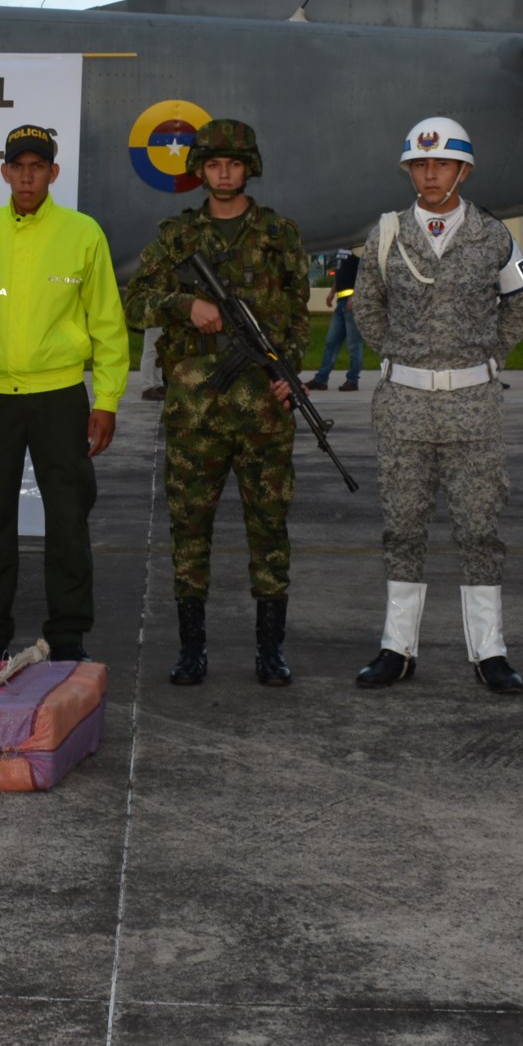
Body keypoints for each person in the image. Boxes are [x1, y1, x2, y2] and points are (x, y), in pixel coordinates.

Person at [352, 116, 523, 695]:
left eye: (440, 164)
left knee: (480, 529)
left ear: (462, 170)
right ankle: (396, 649)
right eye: (419, 164)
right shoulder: (386, 234)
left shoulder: (493, 236)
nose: (429, 174)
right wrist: (402, 356)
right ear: (410, 170)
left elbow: (520, 305)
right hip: (404, 406)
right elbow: (367, 308)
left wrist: (484, 359)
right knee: (403, 527)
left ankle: (490, 653)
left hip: (473, 408)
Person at [123, 118, 308, 687]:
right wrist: (186, 305)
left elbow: (299, 318)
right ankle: (191, 650)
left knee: (269, 531)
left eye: (233, 163)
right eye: (213, 164)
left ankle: (270, 651)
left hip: (264, 414)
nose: (223, 173)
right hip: (195, 414)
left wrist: (288, 374)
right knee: (189, 530)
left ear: (248, 167)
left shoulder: (279, 233)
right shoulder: (178, 238)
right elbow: (135, 303)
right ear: (199, 170)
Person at [0, 124, 130, 660]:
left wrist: (108, 399)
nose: (27, 176)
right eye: (18, 167)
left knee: (67, 517)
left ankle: (68, 635)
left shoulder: (82, 233)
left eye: (37, 166)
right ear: (4, 172)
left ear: (53, 173)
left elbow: (108, 326)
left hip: (59, 397)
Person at [304, 246, 364, 392]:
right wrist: (332, 292)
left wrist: (355, 297)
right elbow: (340, 274)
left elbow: (363, 275)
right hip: (341, 303)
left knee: (353, 344)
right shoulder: (341, 250)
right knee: (331, 342)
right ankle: (321, 379)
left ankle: (352, 380)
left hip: (352, 304)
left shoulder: (358, 250)